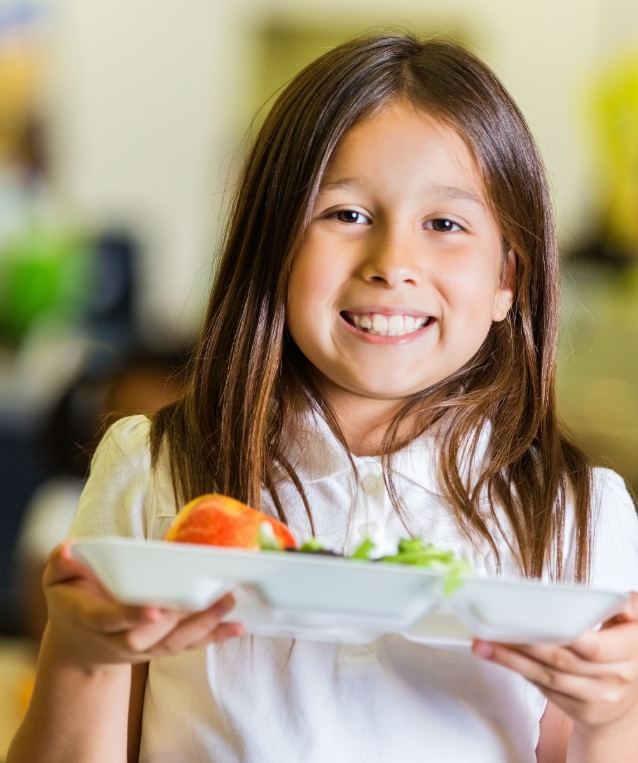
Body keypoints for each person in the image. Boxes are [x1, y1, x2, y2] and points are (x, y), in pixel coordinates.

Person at [8, 33, 638, 763]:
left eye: (445, 224)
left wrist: (614, 715)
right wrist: (83, 654)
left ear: (509, 278)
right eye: (346, 214)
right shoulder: (153, 469)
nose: (393, 264)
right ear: (272, 244)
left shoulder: (579, 518)